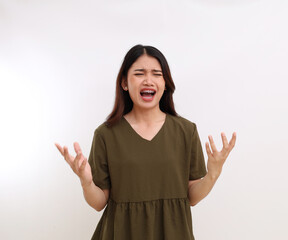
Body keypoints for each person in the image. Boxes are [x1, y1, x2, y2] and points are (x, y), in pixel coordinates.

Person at [55, 44, 236, 240]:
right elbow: (99, 203)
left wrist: (213, 174)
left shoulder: (186, 131)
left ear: (165, 83)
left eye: (157, 74)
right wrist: (87, 183)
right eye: (139, 73)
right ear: (124, 82)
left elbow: (192, 197)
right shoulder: (106, 134)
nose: (148, 80)